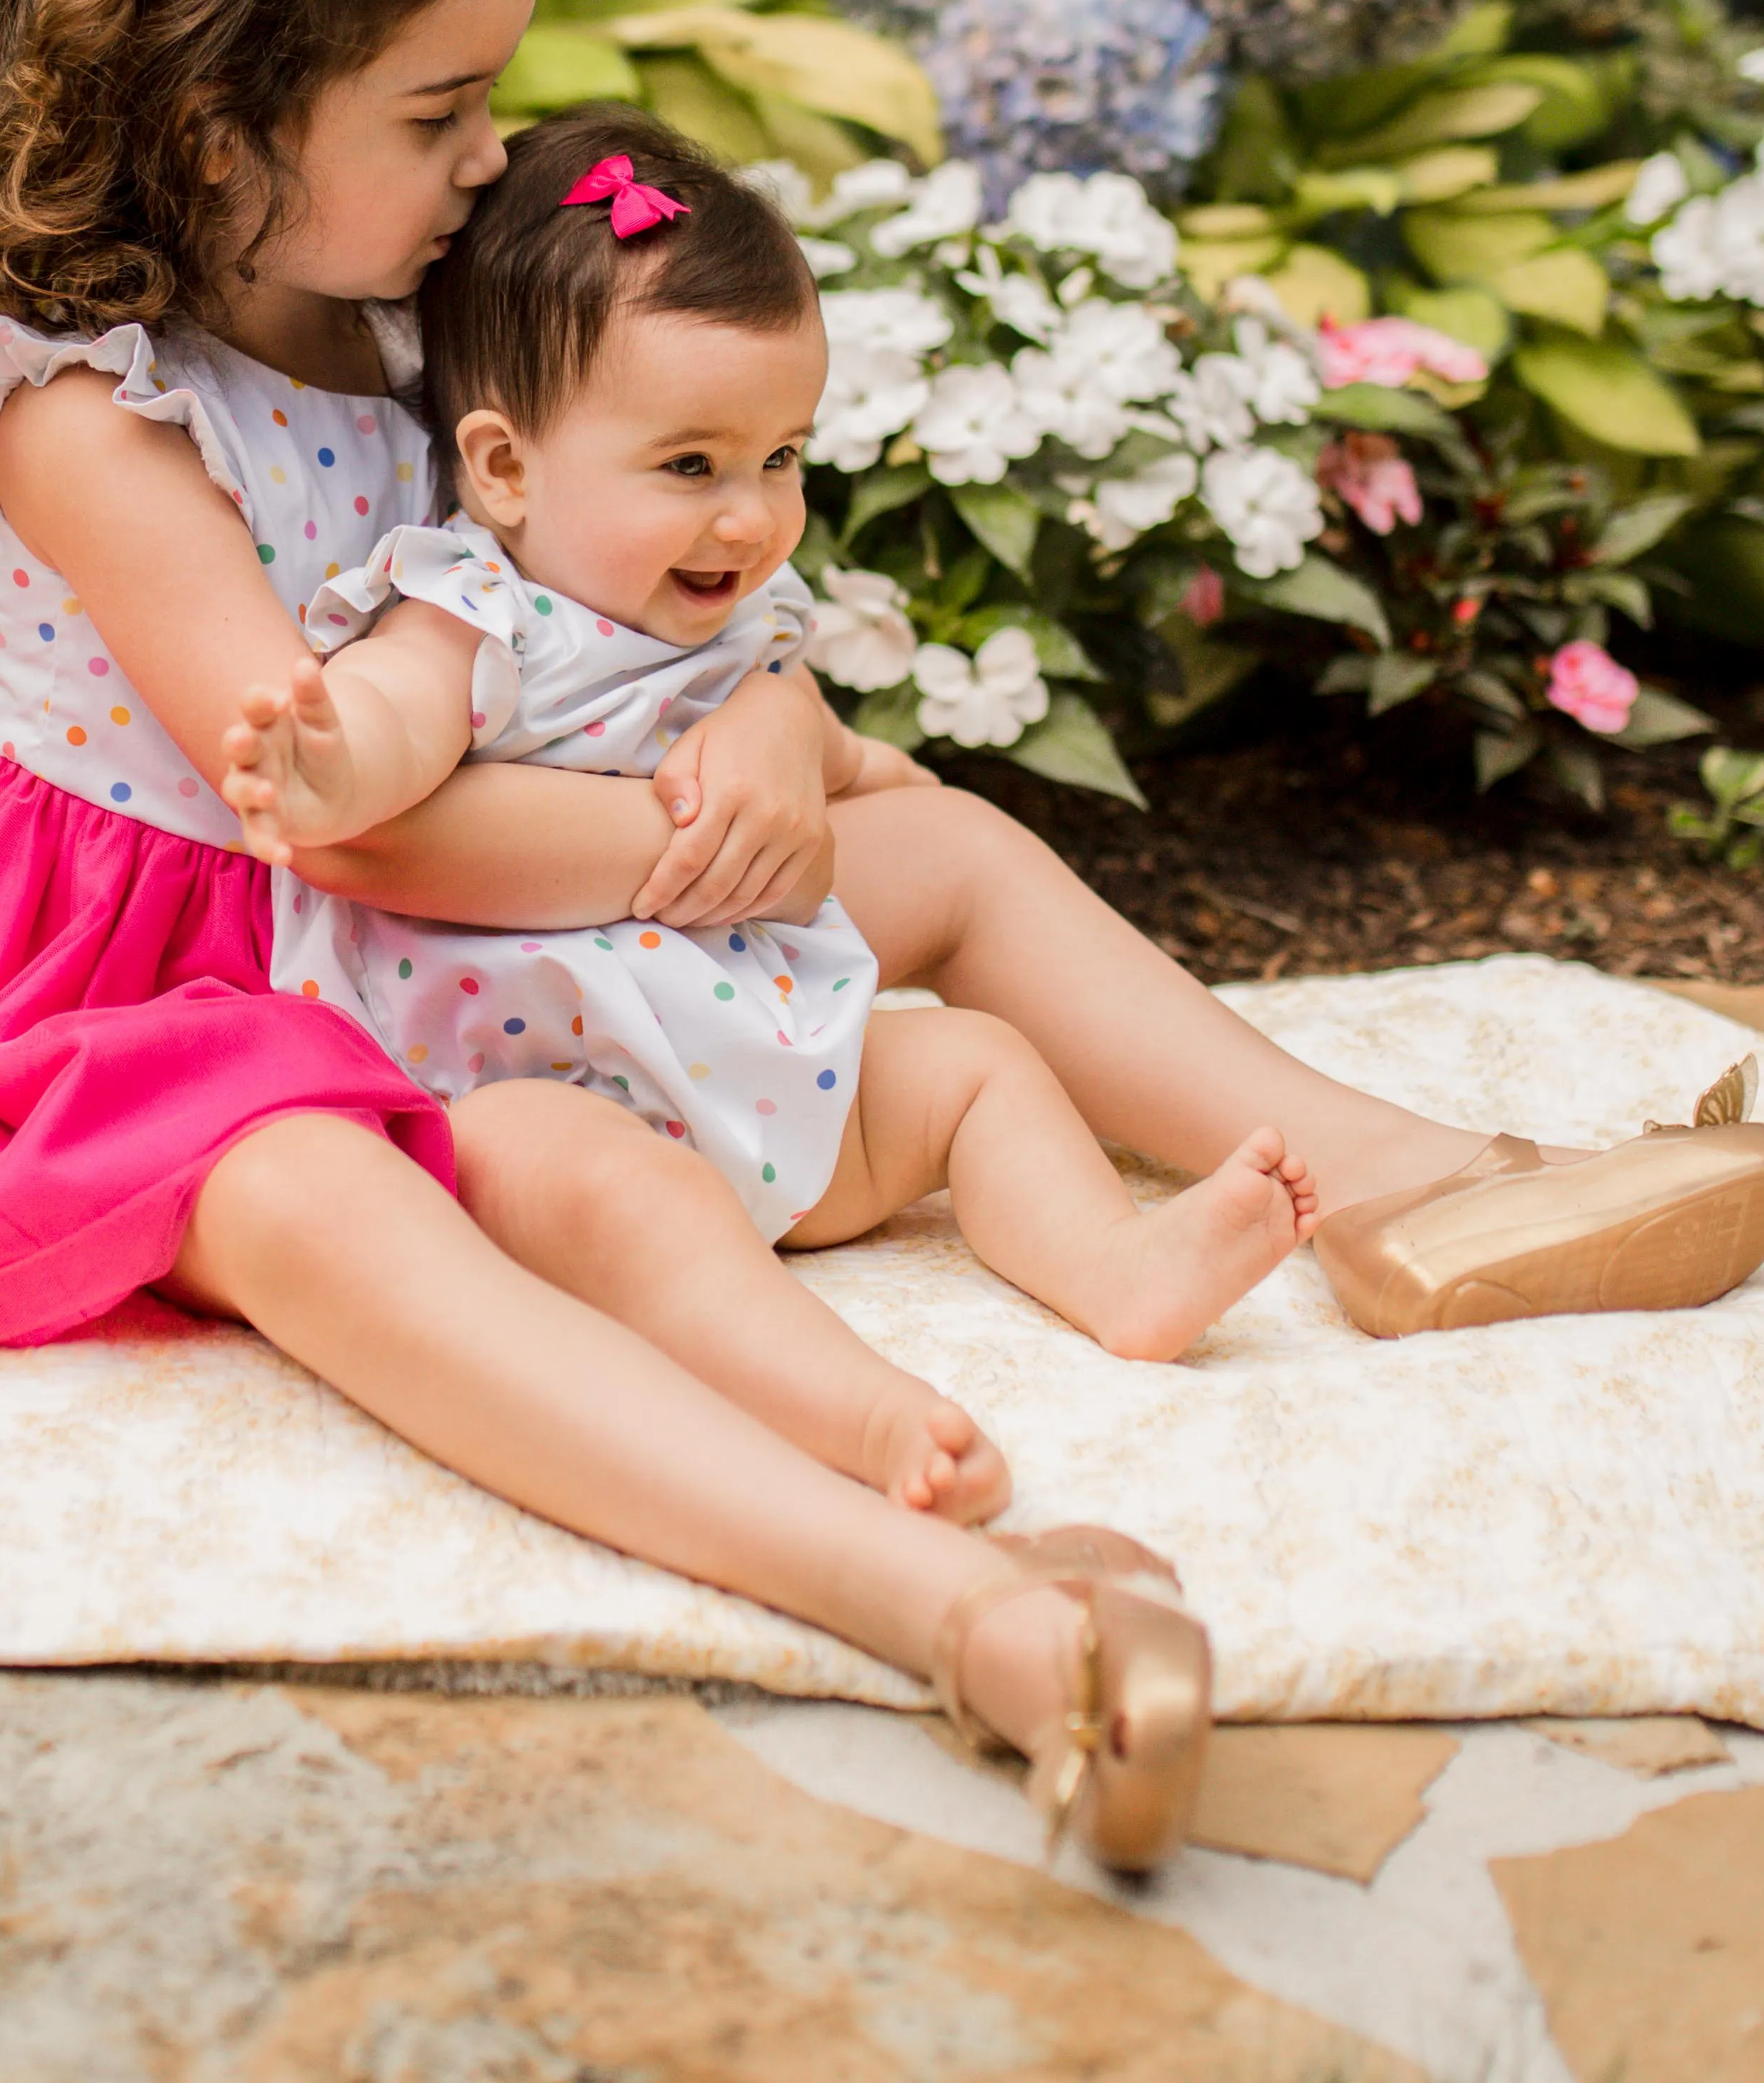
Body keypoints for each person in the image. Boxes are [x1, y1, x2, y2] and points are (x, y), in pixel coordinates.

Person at [0, 0, 1214, 1869]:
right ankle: (946, 1603)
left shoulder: (426, 311)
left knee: (948, 841)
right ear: (227, 135)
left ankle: (1397, 1186)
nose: (493, 157)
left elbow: (628, 576)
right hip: (146, 988)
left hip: (453, 919)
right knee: (315, 1195)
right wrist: (692, 841)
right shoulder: (88, 416)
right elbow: (341, 804)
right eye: (440, 113)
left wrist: (776, 725)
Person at [224, 102, 1322, 1367]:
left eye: (783, 457)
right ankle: (772, 1372)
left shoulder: (742, 611)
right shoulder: (478, 611)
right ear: (506, 469)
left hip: (775, 1091)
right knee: (582, 1178)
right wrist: (325, 761)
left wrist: (859, 766)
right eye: (691, 467)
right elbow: (399, 721)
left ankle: (1115, 1267)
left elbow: (830, 747)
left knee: (976, 1068)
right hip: (556, 1098)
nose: (750, 520)